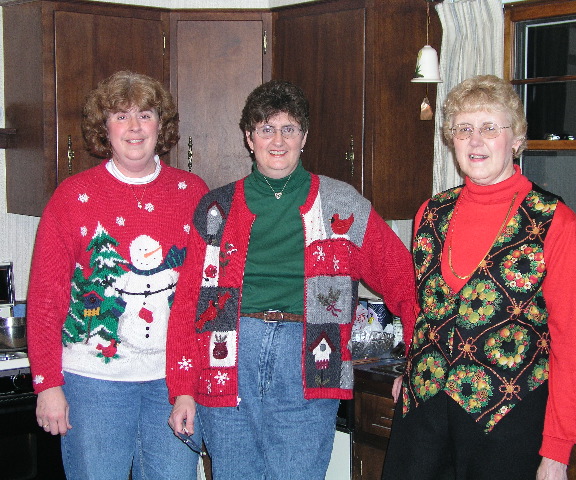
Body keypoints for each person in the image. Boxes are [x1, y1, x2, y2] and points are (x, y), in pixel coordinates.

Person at [166, 79, 417, 480]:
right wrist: (182, 387)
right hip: (227, 358)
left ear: (304, 136)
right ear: (249, 138)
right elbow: (187, 305)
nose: (277, 140)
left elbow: (403, 280)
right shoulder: (216, 206)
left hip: (310, 358)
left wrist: (418, 360)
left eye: (289, 129)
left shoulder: (341, 203)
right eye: (266, 129)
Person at [382, 75, 576, 480]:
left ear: (515, 139)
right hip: (423, 410)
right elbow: (426, 308)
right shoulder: (431, 213)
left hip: (504, 419)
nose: (476, 141)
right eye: (464, 129)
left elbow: (568, 342)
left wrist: (557, 452)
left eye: (490, 128)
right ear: (452, 140)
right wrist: (411, 367)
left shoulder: (554, 222)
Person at [26, 71, 210, 480]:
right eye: (120, 115)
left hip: (172, 385)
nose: (134, 127)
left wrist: (194, 384)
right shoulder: (72, 197)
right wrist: (47, 385)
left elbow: (206, 296)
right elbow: (44, 298)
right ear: (103, 127)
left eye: (145, 115)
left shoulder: (192, 193)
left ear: (161, 125)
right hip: (93, 385)